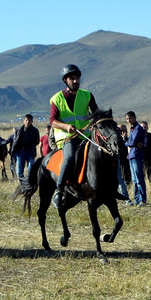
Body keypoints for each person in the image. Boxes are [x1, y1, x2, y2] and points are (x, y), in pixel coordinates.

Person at [49, 64, 99, 208]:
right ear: (65, 80)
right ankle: (59, 190)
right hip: (67, 137)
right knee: (70, 158)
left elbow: (96, 114)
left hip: (86, 135)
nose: (76, 80)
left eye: (77, 77)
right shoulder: (56, 99)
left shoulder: (87, 95)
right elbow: (52, 121)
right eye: (72, 78)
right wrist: (66, 127)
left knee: (104, 154)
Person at [124, 111, 147, 206]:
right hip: (131, 155)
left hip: (137, 155)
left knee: (139, 179)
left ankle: (142, 200)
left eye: (130, 118)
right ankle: (137, 199)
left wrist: (127, 142)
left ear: (134, 118)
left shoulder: (138, 128)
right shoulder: (132, 129)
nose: (129, 120)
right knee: (134, 180)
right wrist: (129, 142)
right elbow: (131, 142)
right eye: (127, 119)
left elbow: (132, 142)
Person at [10, 114, 40, 179]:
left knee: (30, 170)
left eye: (29, 120)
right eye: (26, 120)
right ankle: (23, 185)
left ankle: (29, 184)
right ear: (24, 120)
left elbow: (37, 141)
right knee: (19, 173)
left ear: (32, 121)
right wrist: (14, 151)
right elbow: (15, 141)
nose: (28, 122)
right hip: (20, 152)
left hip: (30, 152)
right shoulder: (18, 130)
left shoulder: (35, 131)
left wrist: (31, 146)